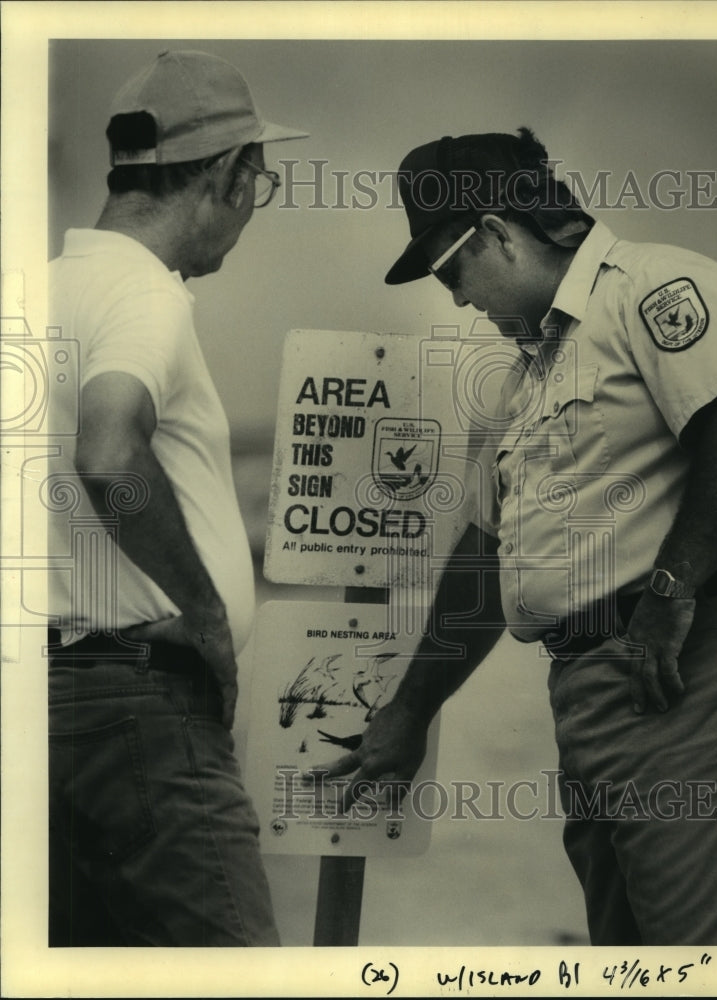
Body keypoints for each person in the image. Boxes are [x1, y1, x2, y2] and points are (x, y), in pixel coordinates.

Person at [318, 128, 717, 945]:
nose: (451, 296)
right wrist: (409, 711)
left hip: (676, 675)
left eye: (450, 269)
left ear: (497, 231)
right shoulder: (526, 373)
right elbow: (486, 554)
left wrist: (670, 588)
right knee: (627, 951)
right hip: (586, 691)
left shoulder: (653, 287)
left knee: (699, 953)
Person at [47, 49, 308, 946]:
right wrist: (203, 614)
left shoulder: (30, 292)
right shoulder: (145, 293)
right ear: (231, 175)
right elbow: (110, 455)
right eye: (258, 185)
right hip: (138, 716)